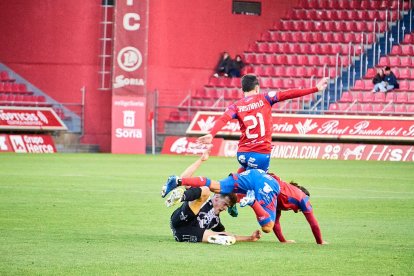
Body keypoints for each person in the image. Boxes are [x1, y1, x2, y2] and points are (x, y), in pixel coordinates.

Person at [197, 74, 329, 173]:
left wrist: (211, 134)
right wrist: (315, 88)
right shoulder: (265, 98)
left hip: (242, 154)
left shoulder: (235, 106)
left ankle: (229, 192)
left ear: (243, 90)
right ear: (257, 88)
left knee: (244, 174)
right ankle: (237, 197)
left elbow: (223, 119)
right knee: (261, 187)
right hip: (260, 153)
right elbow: (289, 94)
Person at [166, 146, 262, 245]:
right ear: (216, 197)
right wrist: (201, 160)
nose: (225, 208)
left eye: (227, 206)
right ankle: (180, 197)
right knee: (205, 190)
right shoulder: (205, 199)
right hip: (180, 220)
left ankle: (215, 238)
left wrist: (250, 238)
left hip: (188, 233)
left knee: (224, 235)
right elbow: (184, 179)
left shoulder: (215, 220)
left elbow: (225, 233)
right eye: (225, 204)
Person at [268, 173, 327, 245]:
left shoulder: (279, 199)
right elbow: (313, 223)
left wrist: (283, 241)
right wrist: (320, 242)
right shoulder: (303, 198)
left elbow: (275, 222)